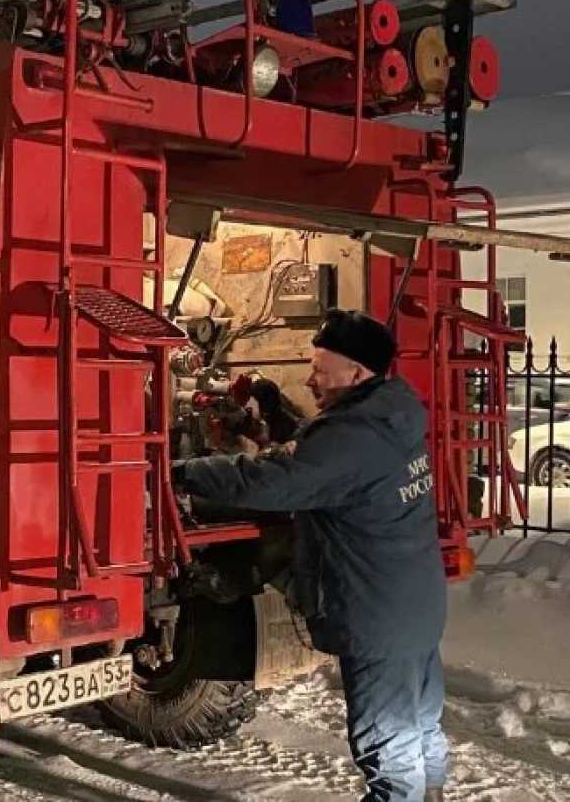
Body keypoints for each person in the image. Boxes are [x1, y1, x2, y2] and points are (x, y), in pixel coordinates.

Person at [172, 309, 448, 802]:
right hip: (414, 607)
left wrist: (182, 471)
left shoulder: (354, 437)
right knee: (420, 726)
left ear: (356, 373)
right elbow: (319, 453)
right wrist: (277, 417)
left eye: (320, 369)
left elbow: (275, 481)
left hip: (376, 615)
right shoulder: (387, 415)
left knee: (386, 745)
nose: (310, 377)